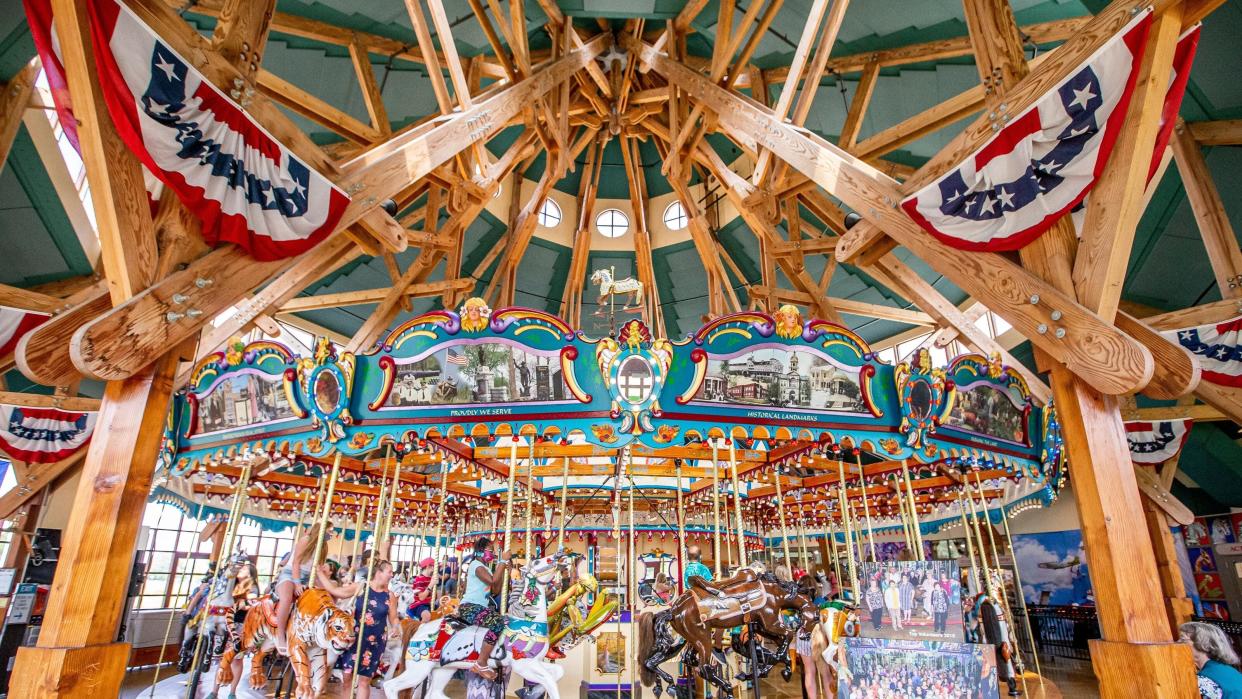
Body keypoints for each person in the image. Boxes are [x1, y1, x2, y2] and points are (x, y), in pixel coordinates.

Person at [339, 559, 399, 699]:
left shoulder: (389, 595)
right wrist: (319, 575)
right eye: (389, 572)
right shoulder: (361, 587)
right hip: (355, 636)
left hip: (375, 641)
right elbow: (339, 592)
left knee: (364, 680)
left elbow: (394, 617)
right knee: (347, 677)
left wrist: (395, 626)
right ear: (379, 572)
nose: (391, 575)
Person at [273, 523, 335, 655]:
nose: (331, 534)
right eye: (330, 531)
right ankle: (280, 635)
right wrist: (297, 584)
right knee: (287, 598)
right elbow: (296, 562)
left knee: (325, 597)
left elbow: (317, 568)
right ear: (321, 530)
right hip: (291, 574)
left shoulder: (323, 546)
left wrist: (329, 589)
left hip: (308, 576)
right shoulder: (305, 540)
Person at [458, 537, 512, 680]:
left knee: (504, 621)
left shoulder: (487, 568)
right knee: (497, 622)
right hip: (469, 607)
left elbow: (496, 589)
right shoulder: (476, 565)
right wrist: (501, 562)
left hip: (480, 606)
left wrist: (505, 571)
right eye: (490, 550)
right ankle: (481, 663)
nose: (493, 554)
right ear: (481, 551)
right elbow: (493, 581)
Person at [1180, 621, 1242, 698]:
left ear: (1202, 644)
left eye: (1183, 640)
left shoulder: (1204, 679)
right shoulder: (1231, 671)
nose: (1177, 643)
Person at [407, 557, 435, 623]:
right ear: (428, 566)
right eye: (433, 567)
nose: (435, 569)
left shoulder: (430, 578)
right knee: (426, 616)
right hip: (418, 605)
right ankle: (418, 631)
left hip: (427, 605)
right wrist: (431, 585)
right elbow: (421, 597)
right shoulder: (419, 579)